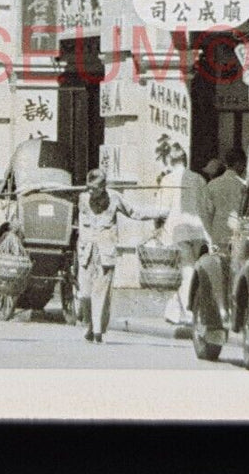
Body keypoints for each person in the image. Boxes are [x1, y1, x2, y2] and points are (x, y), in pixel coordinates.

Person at [75, 170, 161, 343]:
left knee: (100, 293)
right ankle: (91, 325)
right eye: (89, 188)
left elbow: (135, 212)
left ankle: (97, 331)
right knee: (85, 294)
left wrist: (160, 213)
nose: (91, 192)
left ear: (103, 187)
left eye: (95, 189)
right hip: (86, 253)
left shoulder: (114, 199)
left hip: (105, 253)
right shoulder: (83, 199)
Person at [156, 145, 210, 325]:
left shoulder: (167, 180)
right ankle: (173, 310)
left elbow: (162, 209)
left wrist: (157, 229)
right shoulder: (199, 179)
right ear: (185, 160)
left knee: (184, 272)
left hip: (177, 230)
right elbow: (206, 207)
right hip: (199, 231)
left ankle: (187, 311)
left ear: (171, 161)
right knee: (189, 270)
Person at [200, 149, 247, 260]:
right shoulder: (245, 186)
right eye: (244, 164)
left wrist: (209, 239)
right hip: (238, 237)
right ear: (238, 164)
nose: (244, 168)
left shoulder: (212, 185)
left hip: (217, 237)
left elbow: (206, 215)